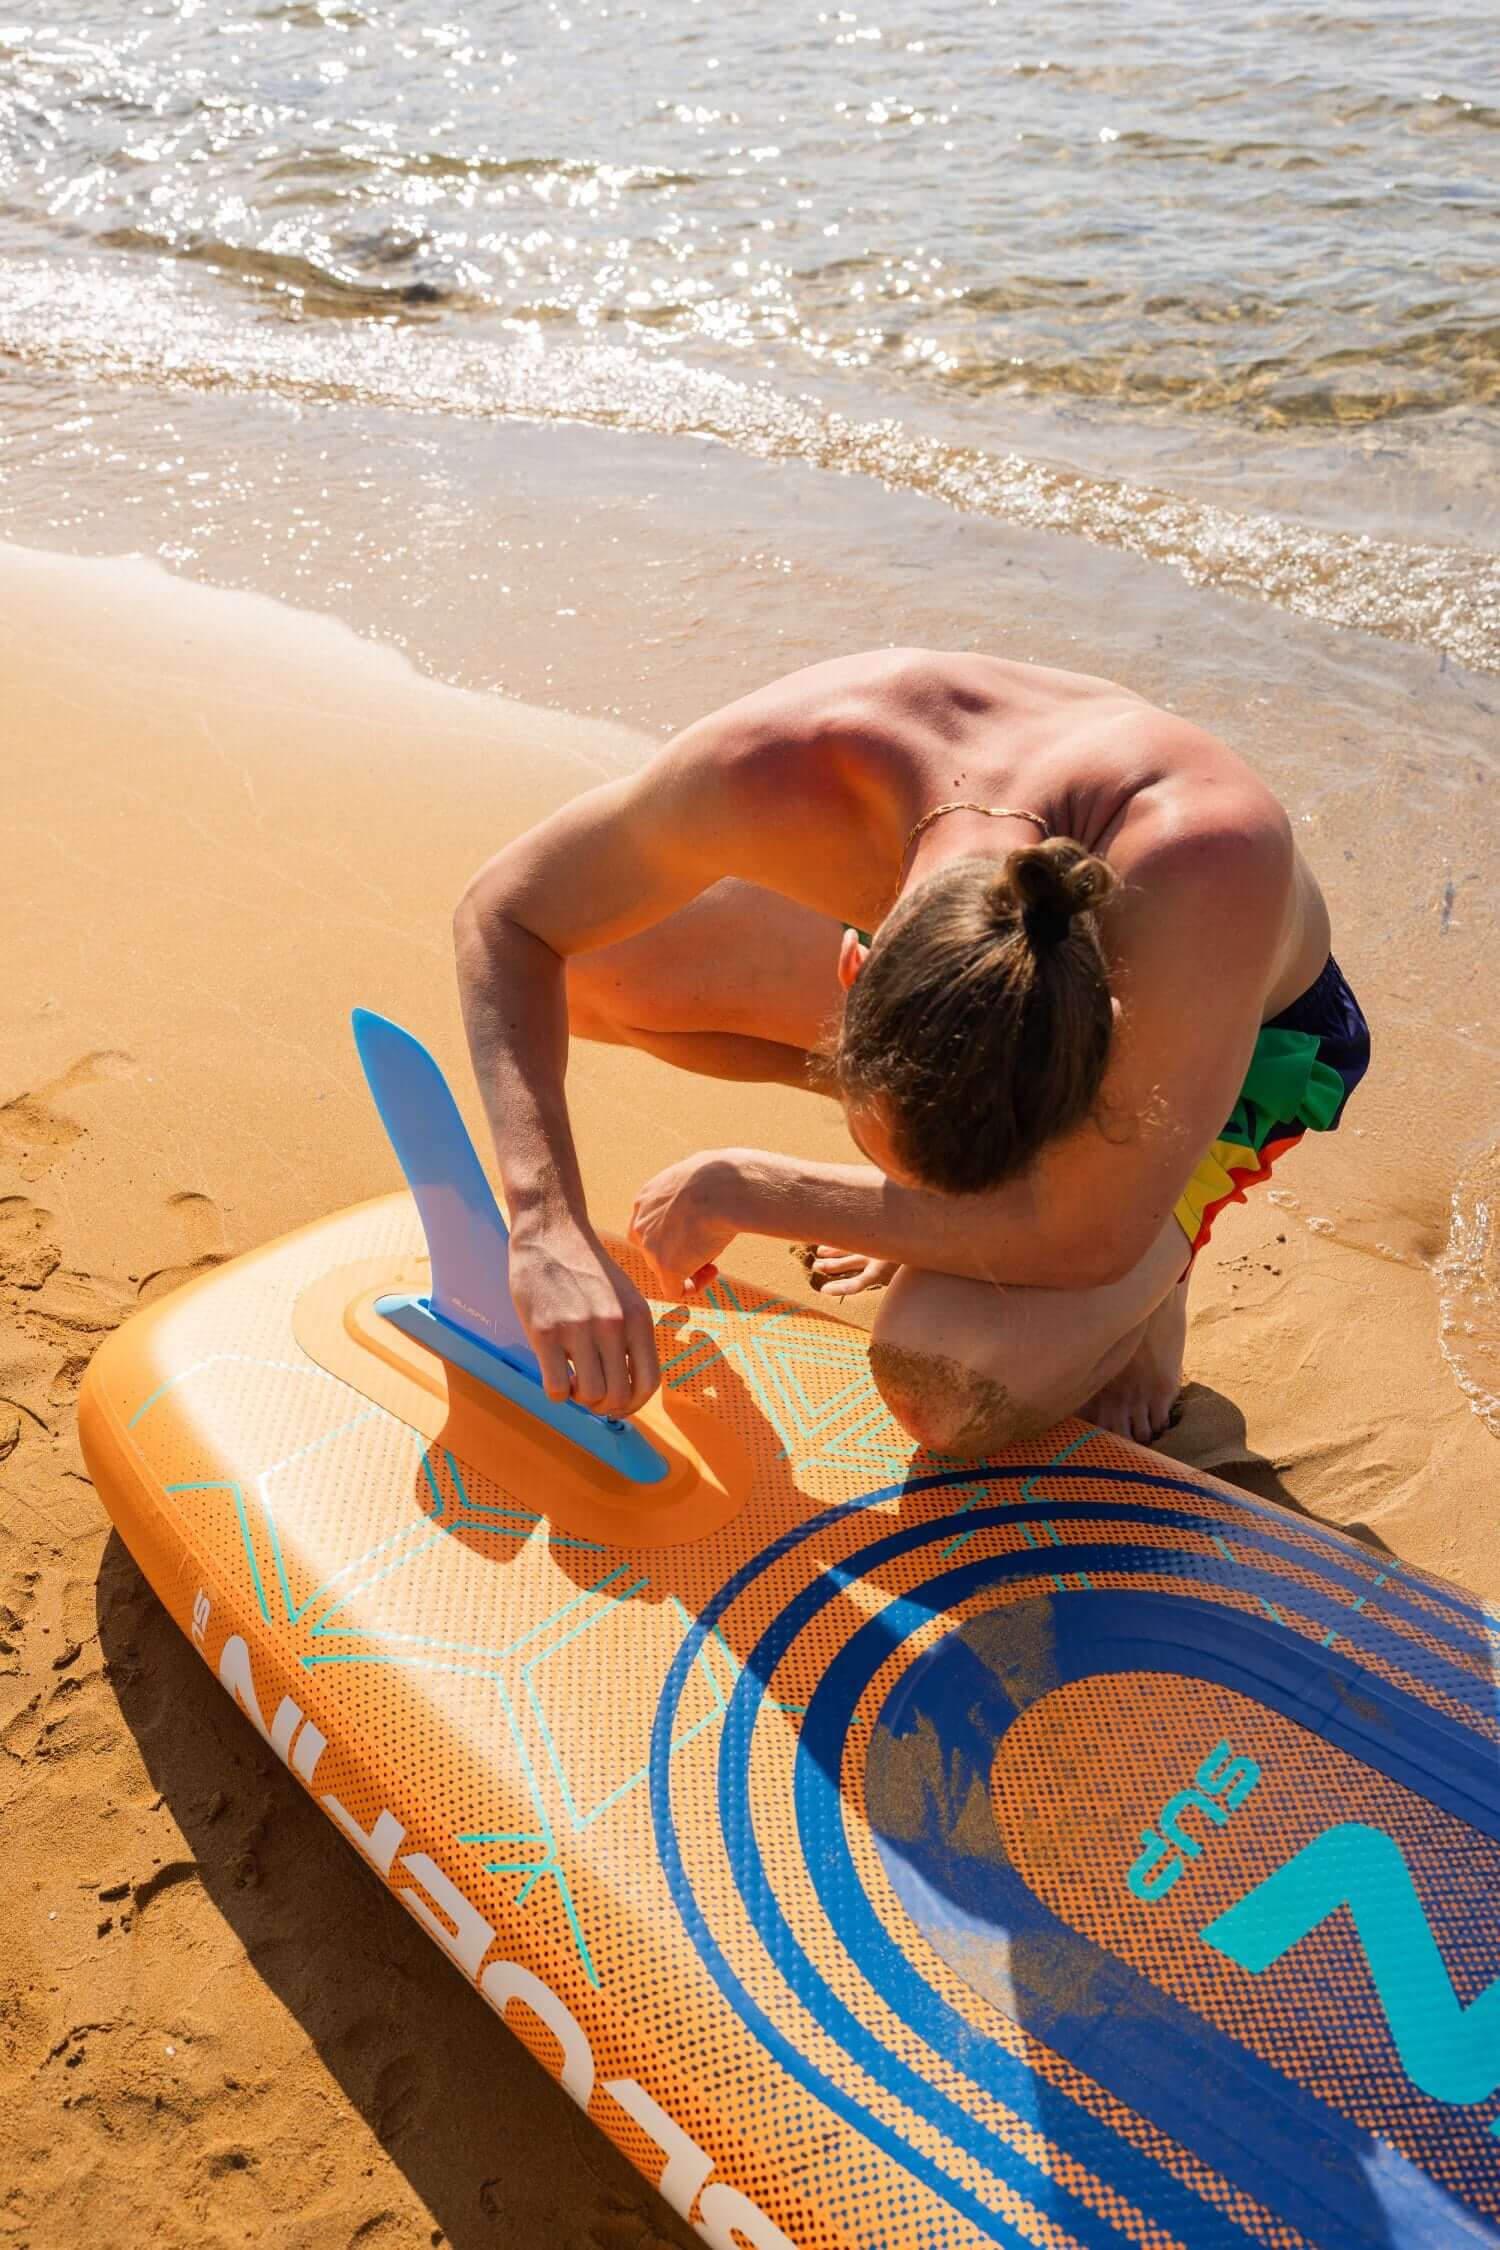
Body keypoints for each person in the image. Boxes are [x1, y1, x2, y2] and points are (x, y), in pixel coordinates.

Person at [453, 648, 1368, 1454]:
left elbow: (1086, 1232)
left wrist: (743, 1187)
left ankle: (1162, 1255)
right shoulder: (786, 765)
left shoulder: (1208, 860)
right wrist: (545, 1223)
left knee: (946, 1379)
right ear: (853, 967)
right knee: (595, 966)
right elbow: (506, 914)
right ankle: (974, 1189)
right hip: (977, 954)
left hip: (1214, 1047)